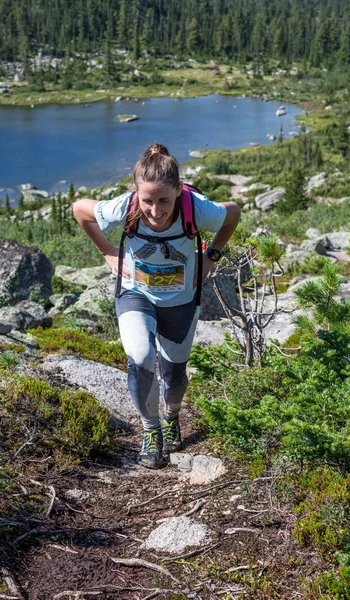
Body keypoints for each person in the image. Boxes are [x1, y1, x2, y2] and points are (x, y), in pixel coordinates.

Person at [73, 143, 241, 469]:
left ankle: (171, 415)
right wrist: (107, 251)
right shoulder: (126, 207)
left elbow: (232, 213)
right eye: (147, 200)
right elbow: (80, 208)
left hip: (181, 300)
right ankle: (151, 430)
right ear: (136, 193)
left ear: (179, 191)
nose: (154, 210)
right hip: (136, 295)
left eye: (163, 200)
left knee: (174, 374)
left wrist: (212, 256)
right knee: (140, 358)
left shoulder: (197, 209)